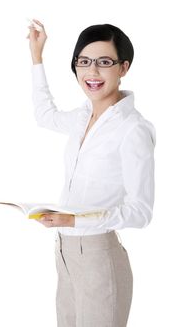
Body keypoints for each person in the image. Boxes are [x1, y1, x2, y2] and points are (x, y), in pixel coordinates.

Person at [27, 19, 156, 327]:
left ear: (123, 68)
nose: (92, 72)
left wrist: (75, 219)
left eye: (104, 62)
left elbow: (141, 212)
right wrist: (36, 57)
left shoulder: (133, 129)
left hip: (99, 256)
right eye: (83, 62)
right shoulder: (83, 116)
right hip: (64, 253)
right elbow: (45, 115)